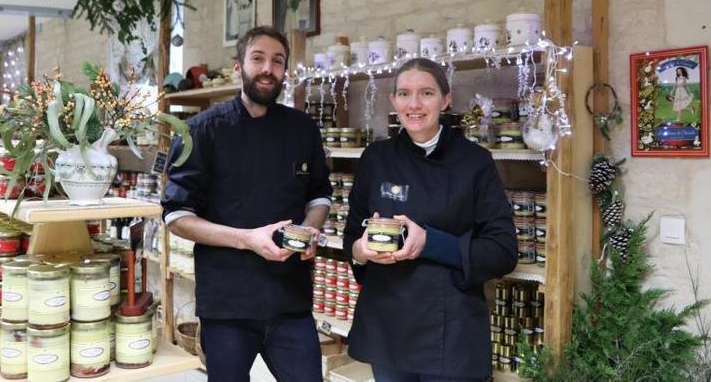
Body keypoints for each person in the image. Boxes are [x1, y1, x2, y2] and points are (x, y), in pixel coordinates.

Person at [162, 26, 332, 382]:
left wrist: (312, 227)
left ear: (285, 71)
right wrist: (248, 239)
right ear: (239, 67)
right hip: (228, 307)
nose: (268, 68)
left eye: (278, 61)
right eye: (258, 58)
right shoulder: (201, 131)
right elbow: (177, 216)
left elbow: (319, 195)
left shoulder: (303, 129)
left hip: (291, 302)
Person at [343, 58, 518, 382]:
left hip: (451, 330)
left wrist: (430, 243)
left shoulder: (475, 162)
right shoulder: (375, 159)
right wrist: (361, 250)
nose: (414, 104)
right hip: (388, 324)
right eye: (405, 94)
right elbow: (352, 235)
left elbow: (503, 250)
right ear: (394, 101)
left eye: (426, 93)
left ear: (445, 99)